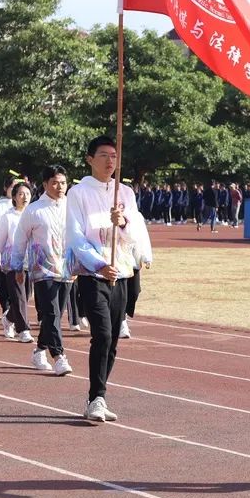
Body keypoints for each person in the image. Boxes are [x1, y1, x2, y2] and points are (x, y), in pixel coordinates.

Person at [67, 135, 152, 422]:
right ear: (90, 159)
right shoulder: (78, 193)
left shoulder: (125, 193)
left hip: (122, 272)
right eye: (103, 155)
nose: (110, 161)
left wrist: (123, 222)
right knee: (101, 333)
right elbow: (76, 237)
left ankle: (99, 396)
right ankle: (96, 397)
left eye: (114, 156)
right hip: (94, 275)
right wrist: (99, 264)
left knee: (113, 338)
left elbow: (134, 231)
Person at [11, 165, 74, 376]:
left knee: (55, 316)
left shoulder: (72, 207)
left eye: (63, 182)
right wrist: (17, 265)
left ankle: (39, 350)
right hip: (42, 271)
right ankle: (59, 357)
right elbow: (20, 240)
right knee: (51, 313)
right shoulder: (34, 210)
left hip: (67, 269)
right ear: (45, 184)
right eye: (55, 182)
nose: (59, 187)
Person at [0, 180, 33, 342]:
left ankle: (8, 319)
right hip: (13, 263)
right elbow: (0, 239)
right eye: (20, 194)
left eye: (27, 194)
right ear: (14, 197)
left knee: (24, 297)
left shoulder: (33, 214)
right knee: (19, 297)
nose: (24, 197)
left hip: (31, 263)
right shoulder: (8, 217)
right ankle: (23, 329)